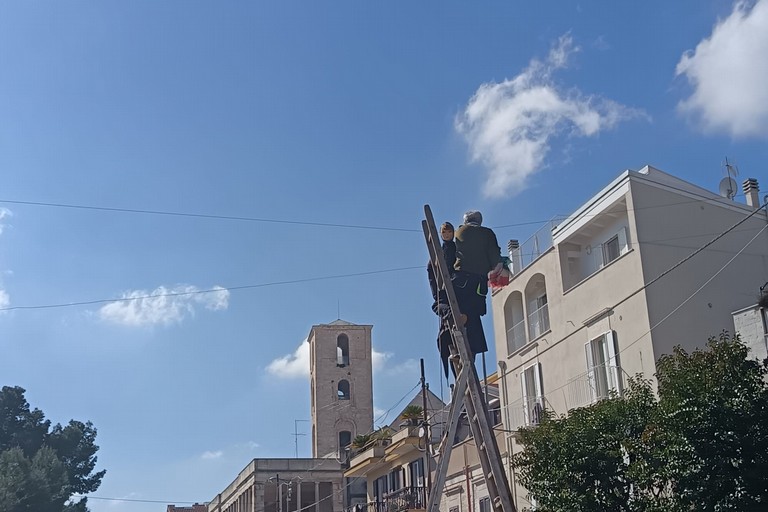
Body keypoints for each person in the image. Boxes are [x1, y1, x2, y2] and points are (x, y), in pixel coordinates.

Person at [451, 210, 502, 357]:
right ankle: (471, 350)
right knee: (474, 314)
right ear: (480, 220)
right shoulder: (487, 233)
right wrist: (496, 268)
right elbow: (494, 255)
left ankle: (458, 342)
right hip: (478, 281)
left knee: (461, 310)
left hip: (459, 278)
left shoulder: (459, 231)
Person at [427, 222, 459, 379]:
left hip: (453, 289)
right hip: (444, 293)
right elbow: (432, 274)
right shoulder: (439, 253)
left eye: (449, 233)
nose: (446, 235)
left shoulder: (455, 248)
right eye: (444, 233)